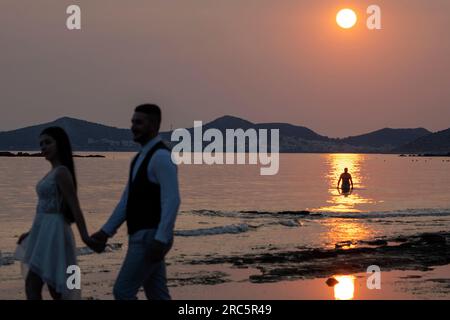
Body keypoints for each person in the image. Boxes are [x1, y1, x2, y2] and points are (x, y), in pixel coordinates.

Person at [91, 104, 181, 300]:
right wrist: (106, 232)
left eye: (139, 122)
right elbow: (127, 201)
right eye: (133, 122)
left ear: (154, 125)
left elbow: (172, 200)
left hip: (150, 237)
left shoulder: (161, 157)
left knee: (122, 292)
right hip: (143, 236)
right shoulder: (139, 159)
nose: (133, 126)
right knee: (157, 294)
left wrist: (161, 238)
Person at [17, 127, 104, 300]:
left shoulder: (62, 172)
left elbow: (75, 206)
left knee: (53, 287)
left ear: (60, 144)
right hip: (42, 233)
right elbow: (42, 208)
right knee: (36, 285)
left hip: (55, 233)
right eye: (41, 144)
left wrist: (85, 237)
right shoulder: (51, 173)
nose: (43, 147)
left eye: (48, 142)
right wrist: (31, 233)